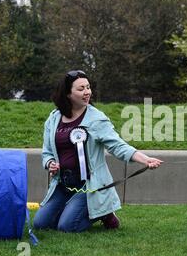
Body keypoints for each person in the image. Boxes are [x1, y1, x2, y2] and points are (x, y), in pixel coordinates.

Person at [33, 70, 163, 232]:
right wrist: (50, 163)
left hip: (89, 186)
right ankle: (75, 210)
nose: (87, 92)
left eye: (88, 87)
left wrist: (145, 159)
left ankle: (105, 214)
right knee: (40, 224)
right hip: (63, 183)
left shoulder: (97, 118)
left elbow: (118, 146)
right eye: (81, 89)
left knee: (67, 227)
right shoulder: (53, 118)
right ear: (67, 93)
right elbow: (47, 151)